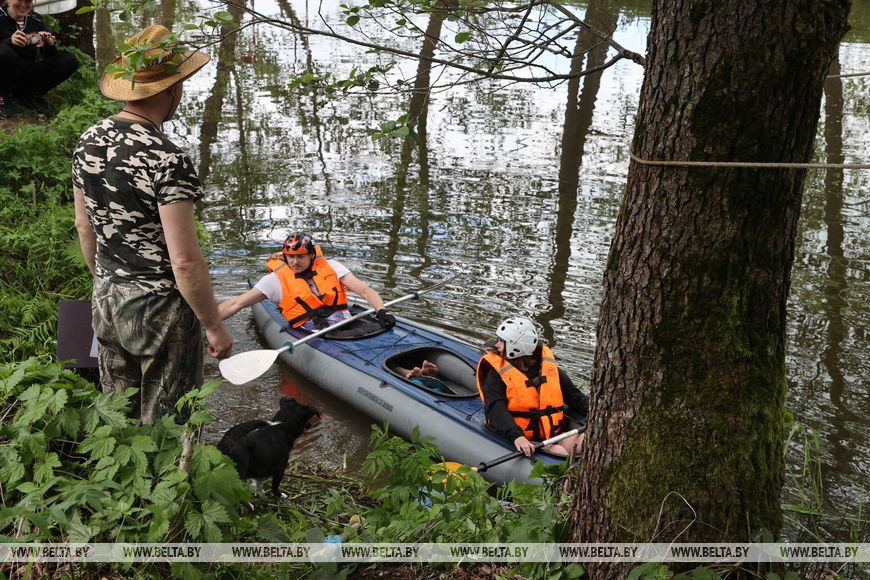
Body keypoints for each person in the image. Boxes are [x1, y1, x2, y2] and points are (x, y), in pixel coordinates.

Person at [72, 24, 232, 425]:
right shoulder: (167, 157)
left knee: (117, 416)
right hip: (160, 309)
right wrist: (214, 326)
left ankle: (118, 486)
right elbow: (184, 261)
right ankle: (171, 488)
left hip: (106, 297)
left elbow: (84, 226)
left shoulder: (88, 139)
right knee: (169, 423)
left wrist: (105, 282)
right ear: (170, 90)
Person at [217, 232, 398, 331]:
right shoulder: (274, 281)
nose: (294, 262)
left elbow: (365, 291)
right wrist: (208, 321)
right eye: (290, 257)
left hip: (345, 324)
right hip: (314, 334)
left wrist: (381, 311)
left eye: (300, 256)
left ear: (312, 255)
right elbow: (237, 303)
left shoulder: (332, 266)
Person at [476, 317, 588, 457]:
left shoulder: (548, 368)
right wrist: (517, 436)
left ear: (515, 346)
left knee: (587, 441)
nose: (497, 345)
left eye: (501, 341)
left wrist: (596, 413)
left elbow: (575, 398)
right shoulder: (497, 374)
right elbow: (495, 409)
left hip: (554, 434)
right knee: (559, 452)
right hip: (523, 438)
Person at [0, 0, 80, 118]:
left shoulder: (36, 20)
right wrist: (8, 42)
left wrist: (49, 44)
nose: (24, 4)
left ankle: (30, 93)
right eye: (20, 0)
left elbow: (49, 57)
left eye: (28, 1)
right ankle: (3, 96)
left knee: (70, 60)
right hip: (4, 70)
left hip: (26, 70)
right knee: (4, 52)